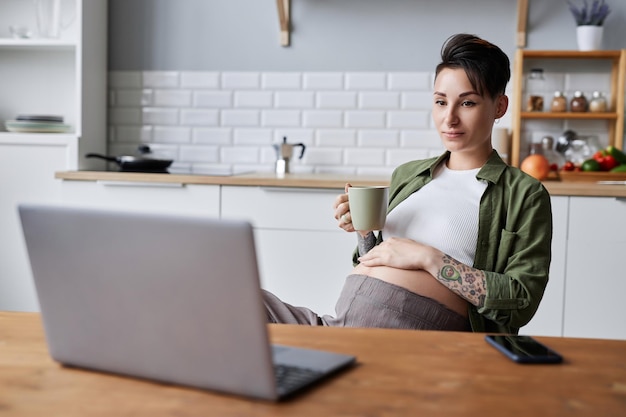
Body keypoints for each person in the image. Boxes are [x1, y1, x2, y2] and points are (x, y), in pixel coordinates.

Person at [262, 33, 553, 335]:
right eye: (441, 102)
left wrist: (428, 257)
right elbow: (375, 259)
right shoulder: (408, 176)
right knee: (232, 296)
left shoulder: (524, 194)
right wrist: (364, 232)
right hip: (344, 321)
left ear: (499, 107)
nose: (449, 118)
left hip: (414, 336)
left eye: (467, 103)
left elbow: (521, 299)